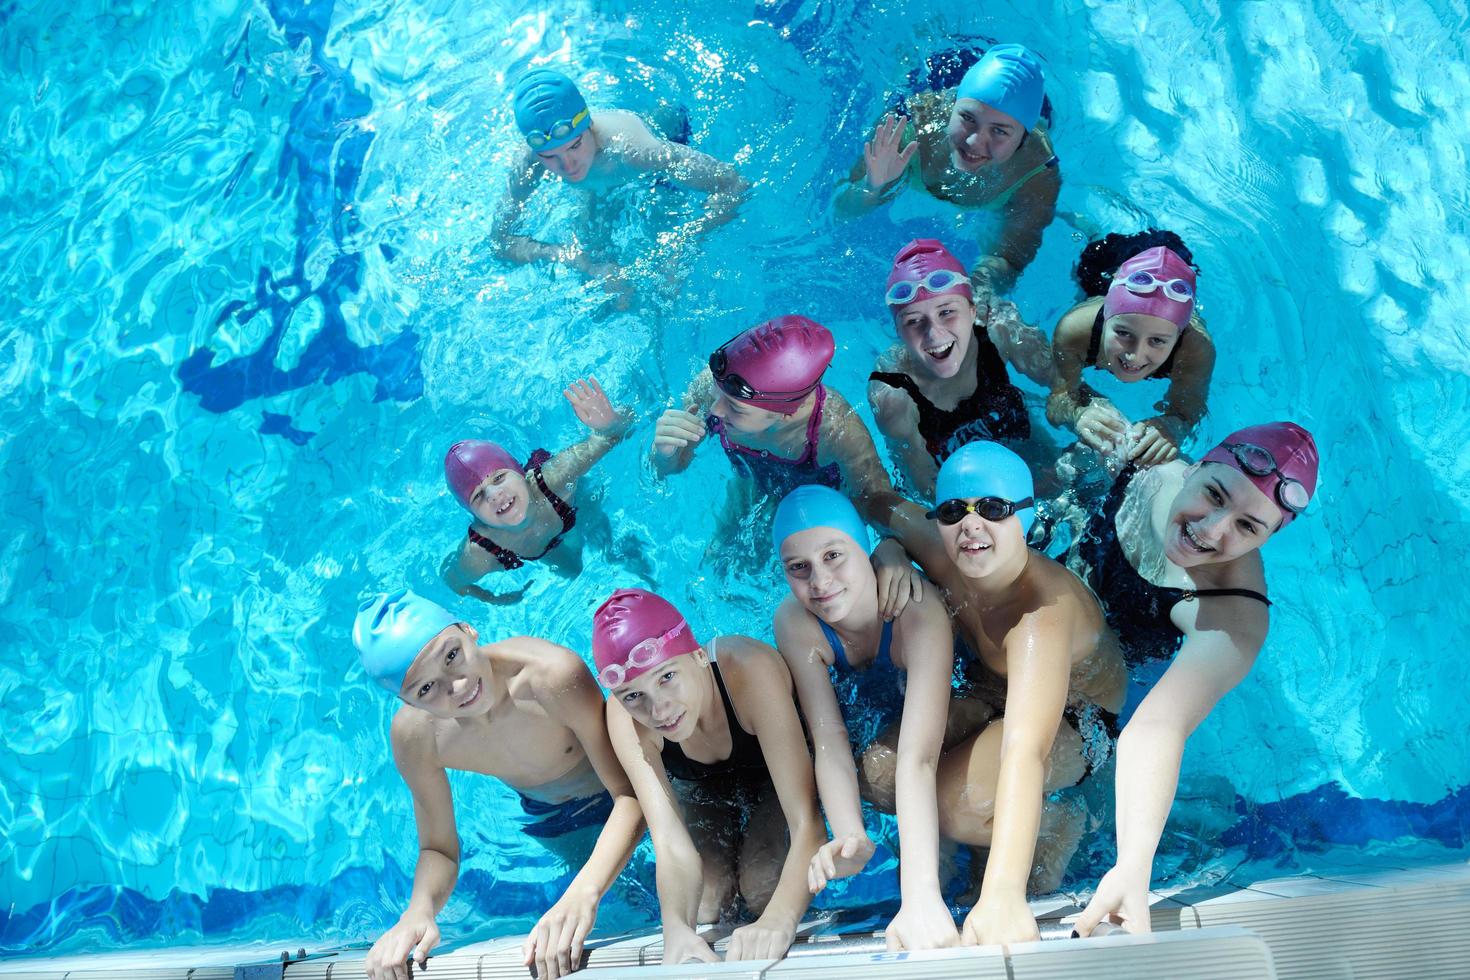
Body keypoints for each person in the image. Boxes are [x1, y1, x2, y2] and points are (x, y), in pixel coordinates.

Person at [1066, 422, 1320, 938]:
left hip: (1098, 671)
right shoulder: (1148, 460)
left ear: (1270, 538)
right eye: (1213, 494)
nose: (1211, 531)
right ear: (1199, 465)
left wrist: (1132, 866)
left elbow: (1158, 726)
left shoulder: (1235, 612)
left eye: (1248, 527)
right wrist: (1074, 409)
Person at [868, 441, 1127, 945]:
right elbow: (873, 500)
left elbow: (1025, 751)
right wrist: (888, 550)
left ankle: (1059, 824)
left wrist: (1003, 894)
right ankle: (973, 836)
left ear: (1026, 517)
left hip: (1077, 720)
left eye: (994, 509)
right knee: (881, 774)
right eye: (953, 511)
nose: (971, 525)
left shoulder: (1040, 615)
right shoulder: (942, 552)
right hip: (993, 691)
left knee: (955, 807)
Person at [352, 589, 643, 980]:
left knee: (712, 897)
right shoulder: (417, 737)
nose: (456, 686)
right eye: (425, 689)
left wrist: (583, 892)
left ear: (469, 629)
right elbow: (439, 849)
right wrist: (418, 912)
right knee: (628, 906)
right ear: (409, 703)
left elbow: (631, 791)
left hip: (624, 787)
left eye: (451, 655)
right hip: (552, 816)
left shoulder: (551, 677)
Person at [772, 484, 990, 951]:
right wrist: (850, 834)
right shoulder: (796, 623)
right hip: (895, 704)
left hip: (973, 690)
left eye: (834, 556)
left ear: (864, 549)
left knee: (882, 771)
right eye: (799, 568)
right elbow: (827, 738)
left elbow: (917, 757)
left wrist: (919, 898)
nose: (820, 582)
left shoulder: (914, 611)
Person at [596, 588, 824, 964]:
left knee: (764, 883)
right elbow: (668, 840)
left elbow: (807, 823)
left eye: (667, 676)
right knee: (705, 904)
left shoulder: (749, 673)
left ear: (699, 655)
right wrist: (677, 932)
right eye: (632, 696)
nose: (659, 709)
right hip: (705, 785)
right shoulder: (624, 718)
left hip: (776, 773)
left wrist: (779, 920)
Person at [491, 67, 749, 306]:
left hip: (657, 171)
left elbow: (734, 184)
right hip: (599, 184)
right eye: (550, 157)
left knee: (662, 290)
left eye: (574, 146)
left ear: (589, 126)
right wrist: (580, 261)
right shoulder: (529, 162)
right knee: (609, 293)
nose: (567, 165)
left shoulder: (636, 151)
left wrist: (682, 246)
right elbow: (500, 243)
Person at [836, 44, 1060, 293]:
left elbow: (1011, 262)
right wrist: (872, 187)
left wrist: (983, 281)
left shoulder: (1038, 175)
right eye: (967, 118)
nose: (974, 142)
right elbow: (842, 211)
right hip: (940, 74)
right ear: (953, 106)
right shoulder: (905, 130)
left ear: (1023, 139)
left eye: (999, 131)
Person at [651, 315, 894, 517]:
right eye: (716, 392)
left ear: (788, 413)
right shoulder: (708, 389)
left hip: (815, 503)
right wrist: (665, 454)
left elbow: (875, 499)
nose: (715, 410)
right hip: (749, 486)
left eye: (736, 408)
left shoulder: (836, 429)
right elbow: (668, 470)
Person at [868, 238, 1055, 499]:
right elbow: (925, 488)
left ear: (972, 310)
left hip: (1027, 449)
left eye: (947, 312)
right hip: (962, 496)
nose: (934, 334)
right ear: (898, 331)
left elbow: (1065, 387)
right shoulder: (894, 395)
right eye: (913, 321)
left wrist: (1085, 414)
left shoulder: (1000, 329)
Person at [442, 377, 631, 602]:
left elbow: (619, 428)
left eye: (499, 478)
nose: (494, 495)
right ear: (474, 515)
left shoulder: (556, 477)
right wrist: (493, 598)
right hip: (544, 549)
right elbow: (452, 581)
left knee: (617, 550)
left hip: (571, 504)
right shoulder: (480, 552)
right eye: (478, 496)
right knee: (573, 571)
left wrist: (609, 424)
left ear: (520, 474)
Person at [1048, 239, 1216, 467]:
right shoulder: (1076, 329)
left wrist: (1173, 427)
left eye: (1157, 340)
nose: (1135, 356)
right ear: (1106, 317)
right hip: (1106, 258)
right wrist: (1077, 414)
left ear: (1178, 336)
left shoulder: (1195, 349)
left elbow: (1188, 413)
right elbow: (1058, 397)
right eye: (1124, 333)